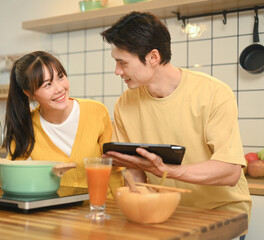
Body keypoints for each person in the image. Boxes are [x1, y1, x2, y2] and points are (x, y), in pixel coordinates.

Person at [100, 11, 251, 234]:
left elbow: (229, 172)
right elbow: (136, 170)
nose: (117, 71)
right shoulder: (125, 104)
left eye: (122, 63)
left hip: (222, 213)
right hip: (166, 213)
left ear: (153, 57)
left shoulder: (214, 93)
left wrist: (165, 170)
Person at [0, 51, 123, 197]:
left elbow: (115, 169)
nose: (59, 89)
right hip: (57, 217)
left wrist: (119, 210)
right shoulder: (26, 126)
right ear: (29, 93)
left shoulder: (97, 112)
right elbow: (12, 180)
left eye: (61, 77)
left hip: (101, 210)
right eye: (47, 85)